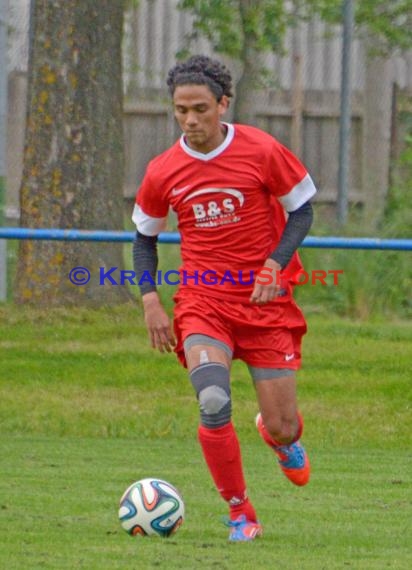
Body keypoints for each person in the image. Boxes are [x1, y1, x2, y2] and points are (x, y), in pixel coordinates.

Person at [132, 55, 316, 542]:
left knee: (283, 426)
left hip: (264, 305)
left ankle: (279, 438)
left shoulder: (261, 149)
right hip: (203, 302)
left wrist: (275, 263)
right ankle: (241, 512)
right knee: (212, 399)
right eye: (180, 111)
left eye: (199, 109)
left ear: (223, 104)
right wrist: (151, 300)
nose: (190, 120)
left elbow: (301, 212)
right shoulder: (163, 170)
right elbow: (144, 238)